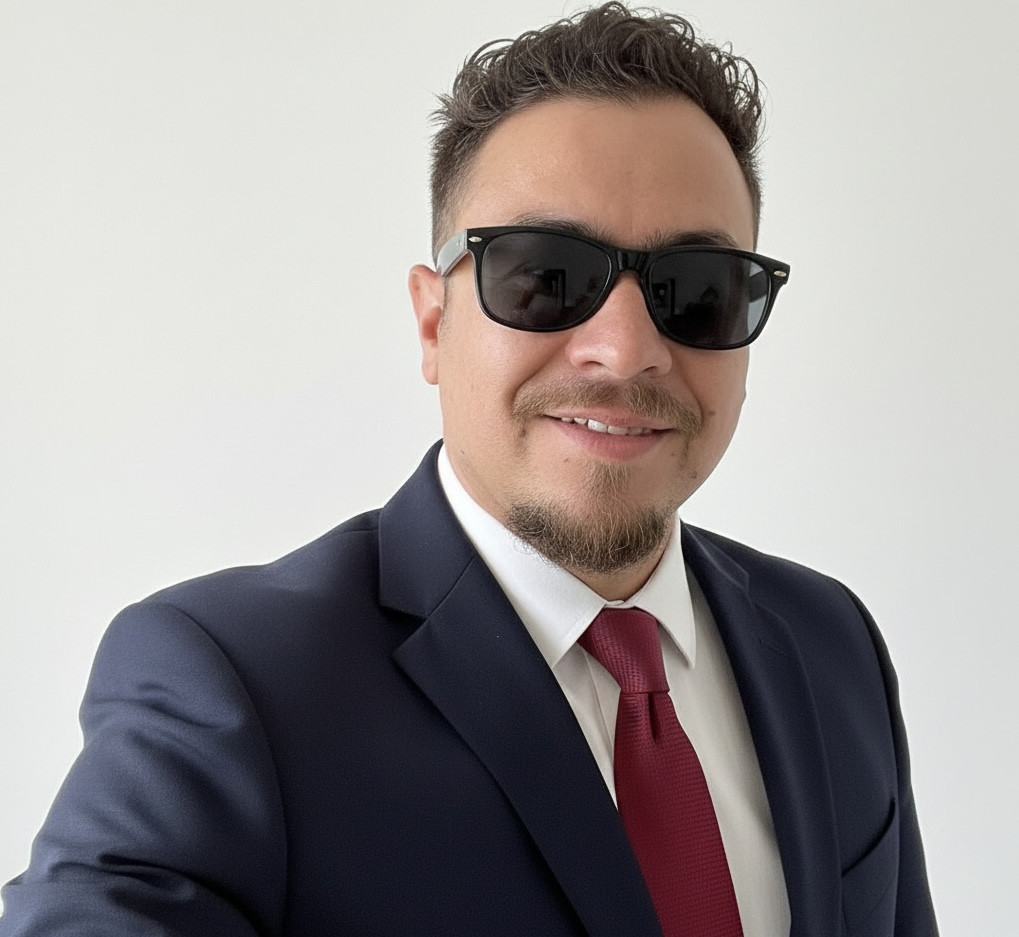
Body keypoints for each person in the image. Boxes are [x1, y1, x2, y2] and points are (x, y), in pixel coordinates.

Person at [0, 4, 937, 936]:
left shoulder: (830, 643)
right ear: (431, 322)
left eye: (695, 289)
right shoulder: (233, 683)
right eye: (545, 276)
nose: (624, 350)